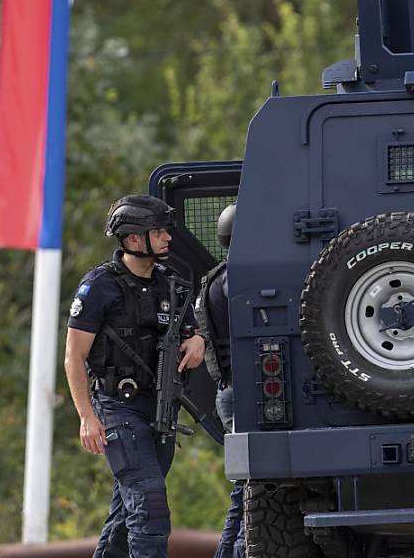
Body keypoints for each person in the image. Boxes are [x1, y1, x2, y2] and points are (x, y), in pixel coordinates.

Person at [63, 194, 205, 558]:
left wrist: (198, 340)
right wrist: (86, 417)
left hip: (161, 410)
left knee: (127, 516)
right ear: (133, 239)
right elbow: (74, 357)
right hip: (118, 408)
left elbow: (192, 331)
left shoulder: (171, 285)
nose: (167, 238)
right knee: (150, 506)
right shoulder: (99, 287)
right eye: (158, 232)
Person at [194, 204, 243, 558]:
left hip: (230, 390)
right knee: (251, 487)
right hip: (241, 394)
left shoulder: (216, 277)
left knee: (249, 487)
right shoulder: (234, 279)